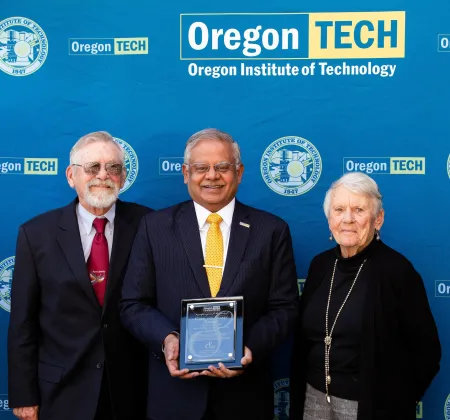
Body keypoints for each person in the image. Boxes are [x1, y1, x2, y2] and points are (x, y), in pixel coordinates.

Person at [120, 128, 299, 420]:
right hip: (175, 400)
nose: (212, 176)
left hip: (245, 399)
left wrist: (249, 347)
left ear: (239, 173)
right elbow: (133, 304)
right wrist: (167, 339)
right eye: (201, 168)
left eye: (222, 167)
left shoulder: (271, 230)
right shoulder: (155, 228)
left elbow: (285, 308)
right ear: (185, 173)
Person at [8, 131, 152, 420]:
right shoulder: (36, 234)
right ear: (71, 176)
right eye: (92, 167)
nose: (103, 175)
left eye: (113, 167)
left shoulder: (148, 225)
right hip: (62, 390)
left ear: (123, 177)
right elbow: (22, 322)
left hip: (133, 390)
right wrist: (24, 395)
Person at [290, 172, 441, 420]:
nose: (347, 219)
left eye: (359, 210)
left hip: (370, 405)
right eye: (339, 210)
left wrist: (396, 402)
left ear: (377, 219)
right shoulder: (320, 265)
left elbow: (427, 351)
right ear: (329, 219)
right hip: (313, 401)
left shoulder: (397, 271)